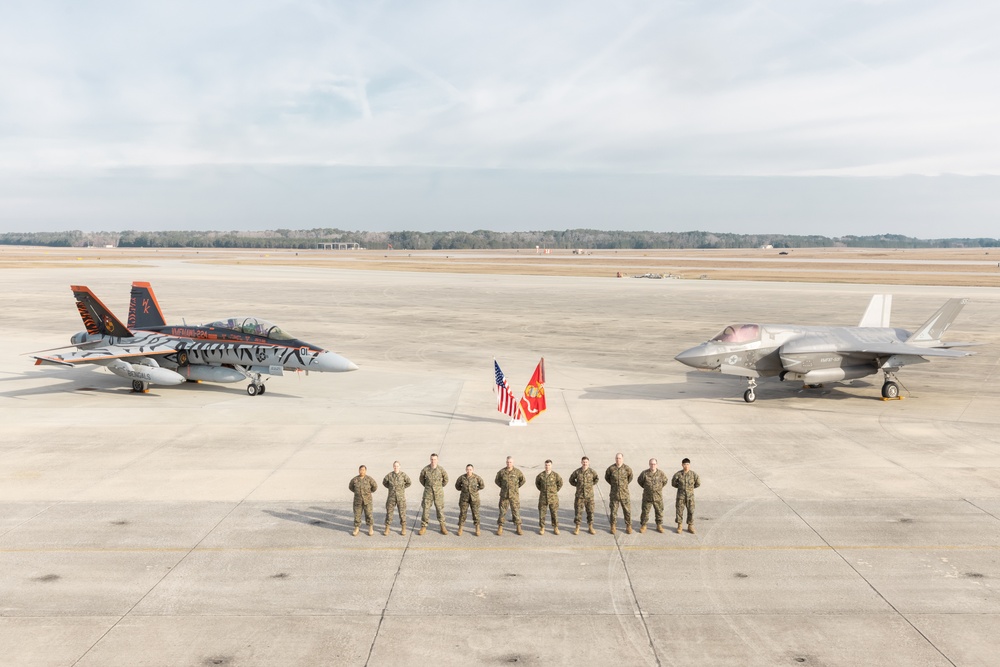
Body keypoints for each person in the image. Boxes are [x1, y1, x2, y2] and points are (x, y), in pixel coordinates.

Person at [418, 453, 449, 535]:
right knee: (425, 510)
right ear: (430, 459)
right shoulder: (425, 469)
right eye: (432, 459)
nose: (433, 461)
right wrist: (427, 486)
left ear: (437, 460)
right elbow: (421, 479)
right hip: (428, 493)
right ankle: (423, 526)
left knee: (440, 510)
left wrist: (439, 486)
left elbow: (446, 479)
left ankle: (442, 526)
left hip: (438, 493)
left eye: (435, 459)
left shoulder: (441, 469)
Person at [495, 456, 526, 535]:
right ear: (506, 462)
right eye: (508, 462)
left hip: (514, 495)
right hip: (504, 495)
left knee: (516, 511)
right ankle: (500, 527)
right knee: (502, 511)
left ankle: (518, 527)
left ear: (513, 463)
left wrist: (515, 488)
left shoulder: (517, 472)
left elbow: (523, 480)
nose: (509, 464)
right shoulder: (502, 472)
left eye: (510, 462)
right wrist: (503, 487)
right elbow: (497, 480)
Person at [569, 456, 600, 534]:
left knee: (590, 511)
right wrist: (577, 485)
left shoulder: (592, 472)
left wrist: (590, 485)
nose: (585, 463)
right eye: (583, 462)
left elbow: (596, 479)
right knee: (578, 512)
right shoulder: (577, 472)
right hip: (579, 496)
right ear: (581, 462)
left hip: (589, 496)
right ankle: (577, 527)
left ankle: (590, 527)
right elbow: (571, 480)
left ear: (588, 463)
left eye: (586, 462)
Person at [637, 458, 669, 533]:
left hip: (658, 497)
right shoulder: (644, 473)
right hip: (647, 497)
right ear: (649, 464)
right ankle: (644, 525)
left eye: (654, 464)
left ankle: (659, 525)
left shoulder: (661, 473)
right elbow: (640, 481)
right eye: (651, 464)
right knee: (645, 512)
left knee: (659, 511)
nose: (653, 465)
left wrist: (658, 488)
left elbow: (665, 481)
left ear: (656, 465)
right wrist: (647, 488)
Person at [605, 452, 634, 534]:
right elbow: (607, 478)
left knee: (627, 511)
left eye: (620, 458)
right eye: (617, 458)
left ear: (622, 459)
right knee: (613, 511)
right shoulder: (611, 469)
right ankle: (613, 526)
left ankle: (628, 526)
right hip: (614, 494)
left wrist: (623, 485)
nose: (618, 460)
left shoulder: (627, 469)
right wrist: (614, 485)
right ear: (615, 459)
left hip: (624, 494)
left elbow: (630, 478)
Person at [455, 464, 486, 536]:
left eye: (470, 469)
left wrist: (475, 490)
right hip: (464, 498)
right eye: (467, 469)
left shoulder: (477, 477)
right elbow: (457, 486)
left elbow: (482, 485)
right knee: (462, 513)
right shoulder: (462, 478)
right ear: (466, 470)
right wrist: (464, 490)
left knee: (476, 513)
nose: (469, 471)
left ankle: (477, 528)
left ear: (473, 470)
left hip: (474, 498)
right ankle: (460, 528)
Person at [672, 457, 701, 534]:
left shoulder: (694, 474)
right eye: (685, 464)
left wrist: (690, 489)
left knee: (691, 511)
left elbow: (698, 484)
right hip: (680, 496)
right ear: (682, 465)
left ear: (690, 465)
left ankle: (690, 526)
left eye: (688, 464)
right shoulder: (678, 474)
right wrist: (681, 488)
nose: (686, 466)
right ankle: (680, 526)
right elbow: (673, 483)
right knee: (679, 511)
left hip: (690, 497)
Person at [382, 460, 411, 535]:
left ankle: (403, 528)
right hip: (391, 497)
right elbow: (384, 482)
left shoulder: (403, 475)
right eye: (395, 466)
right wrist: (390, 488)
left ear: (399, 467)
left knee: (402, 513)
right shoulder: (389, 475)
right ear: (393, 467)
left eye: (397, 466)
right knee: (389, 513)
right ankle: (387, 528)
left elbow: (409, 482)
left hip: (400, 498)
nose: (396, 467)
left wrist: (402, 488)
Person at [535, 459, 563, 534]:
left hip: (553, 498)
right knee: (542, 513)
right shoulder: (541, 475)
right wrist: (543, 490)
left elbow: (560, 483)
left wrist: (554, 491)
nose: (547, 467)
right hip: (543, 497)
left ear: (551, 466)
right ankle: (542, 527)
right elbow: (537, 484)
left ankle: (555, 527)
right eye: (546, 465)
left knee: (554, 513)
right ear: (545, 466)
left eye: (549, 465)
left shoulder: (555, 475)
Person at [348, 465, 378, 536]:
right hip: (357, 501)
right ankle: (356, 528)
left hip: (367, 501)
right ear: (359, 470)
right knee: (357, 515)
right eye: (361, 470)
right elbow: (351, 487)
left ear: (365, 471)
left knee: (369, 514)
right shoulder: (355, 479)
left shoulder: (369, 479)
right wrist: (357, 493)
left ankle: (370, 528)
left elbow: (375, 486)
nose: (362, 471)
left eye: (363, 470)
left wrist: (368, 493)